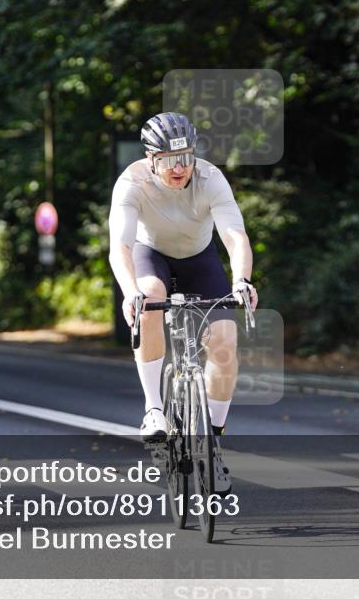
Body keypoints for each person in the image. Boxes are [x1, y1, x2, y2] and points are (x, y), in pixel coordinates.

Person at [109, 112, 258, 495]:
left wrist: (242, 280)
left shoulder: (210, 179)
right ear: (150, 158)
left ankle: (213, 444)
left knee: (225, 344)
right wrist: (130, 292)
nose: (180, 168)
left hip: (199, 257)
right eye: (170, 160)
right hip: (151, 254)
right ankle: (154, 409)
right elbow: (120, 247)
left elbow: (235, 237)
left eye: (187, 157)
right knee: (151, 298)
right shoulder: (131, 182)